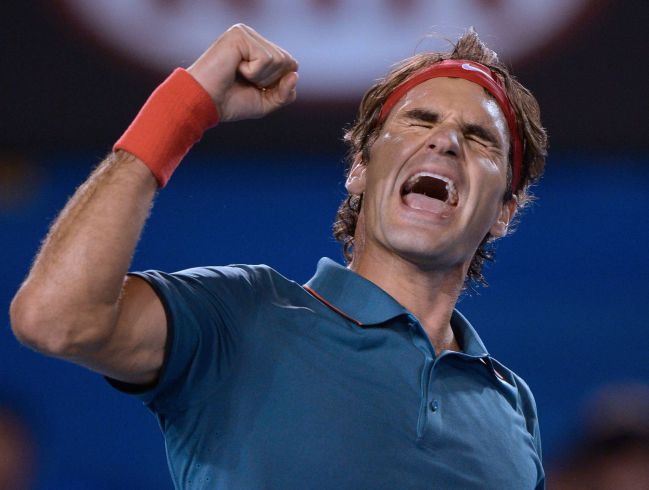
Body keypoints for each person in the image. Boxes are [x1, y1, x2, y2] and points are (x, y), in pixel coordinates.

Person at [10, 23, 547, 489]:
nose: (446, 141)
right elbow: (56, 319)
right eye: (419, 120)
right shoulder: (240, 314)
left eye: (479, 138)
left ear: (504, 211)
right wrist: (184, 107)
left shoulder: (511, 404)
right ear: (359, 168)